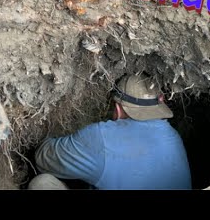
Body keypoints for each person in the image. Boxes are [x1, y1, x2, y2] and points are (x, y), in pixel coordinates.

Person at [28, 73, 192, 190]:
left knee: (42, 184)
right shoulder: (173, 136)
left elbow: (43, 160)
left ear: (118, 109)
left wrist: (52, 132)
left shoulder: (102, 137)